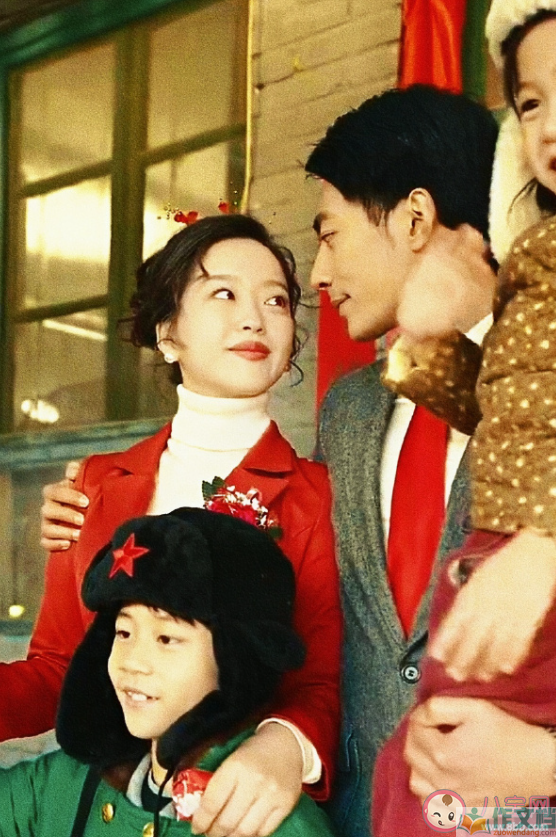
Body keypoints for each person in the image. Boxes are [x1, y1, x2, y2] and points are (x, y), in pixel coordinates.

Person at [0, 214, 342, 837]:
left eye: (276, 300)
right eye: (224, 293)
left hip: (239, 808)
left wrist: (282, 748)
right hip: (109, 804)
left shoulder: (316, 496)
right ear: (167, 332)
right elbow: (63, 669)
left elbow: (321, 681)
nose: (254, 318)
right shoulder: (96, 484)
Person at [372, 2, 556, 831]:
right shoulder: (536, 253)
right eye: (532, 102)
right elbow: (515, 415)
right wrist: (436, 341)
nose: (550, 126)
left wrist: (544, 540)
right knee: (421, 778)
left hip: (528, 577)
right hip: (496, 581)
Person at [303, 84, 499, 837]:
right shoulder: (349, 411)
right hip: (361, 813)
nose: (318, 274)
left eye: (331, 235)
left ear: (415, 218)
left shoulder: (538, 393)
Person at [0, 509, 337, 837]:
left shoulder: (275, 823)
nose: (132, 660)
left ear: (236, 659)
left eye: (166, 638)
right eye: (123, 631)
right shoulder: (74, 780)